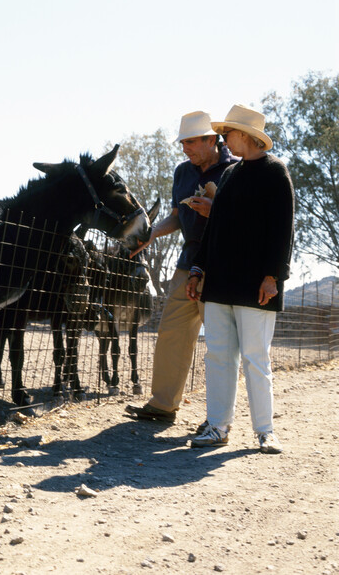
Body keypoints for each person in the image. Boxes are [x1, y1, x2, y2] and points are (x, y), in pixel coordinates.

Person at [187, 104, 294, 454]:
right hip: (219, 283)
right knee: (218, 356)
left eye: (228, 133)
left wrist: (272, 277)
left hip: (256, 285)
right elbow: (214, 228)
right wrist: (198, 269)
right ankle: (218, 427)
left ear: (246, 136)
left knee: (255, 357)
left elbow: (282, 230)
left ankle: (265, 431)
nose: (224, 139)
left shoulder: (276, 173)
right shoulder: (230, 175)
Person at [126, 111, 239, 423]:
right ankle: (162, 406)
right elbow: (177, 216)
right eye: (183, 142)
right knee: (171, 333)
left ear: (211, 139)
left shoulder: (235, 170)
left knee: (219, 344)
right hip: (186, 264)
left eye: (191, 142)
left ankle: (218, 418)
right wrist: (150, 234)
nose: (185, 148)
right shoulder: (182, 173)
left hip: (221, 266)